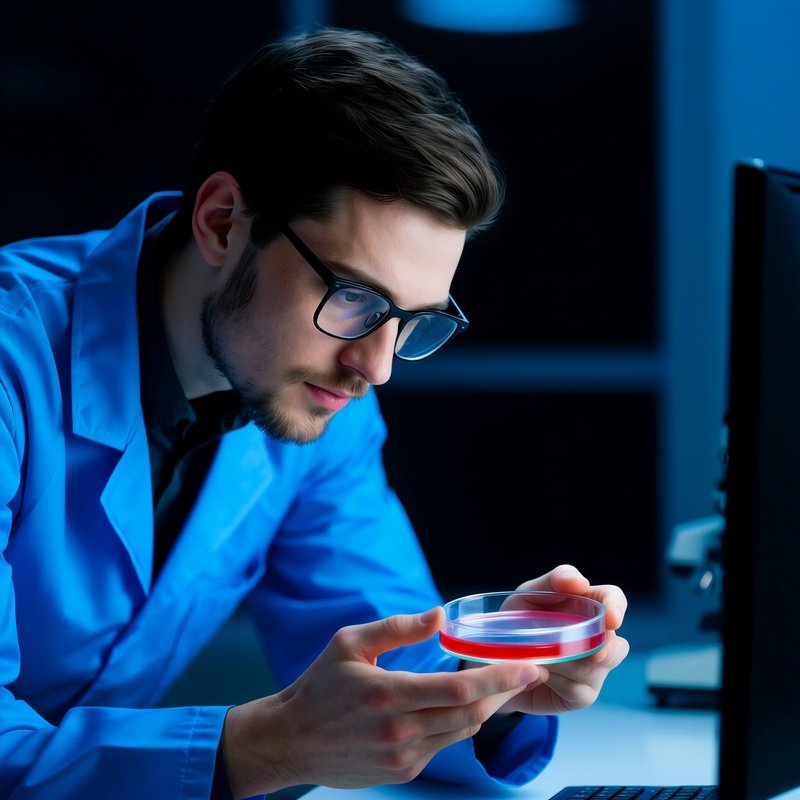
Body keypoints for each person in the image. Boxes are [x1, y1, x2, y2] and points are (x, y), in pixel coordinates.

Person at [0, 27, 629, 800]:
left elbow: (388, 653)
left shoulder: (320, 403)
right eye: (356, 298)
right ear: (223, 222)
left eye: (411, 321)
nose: (376, 367)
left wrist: (489, 681)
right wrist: (260, 748)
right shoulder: (10, 360)